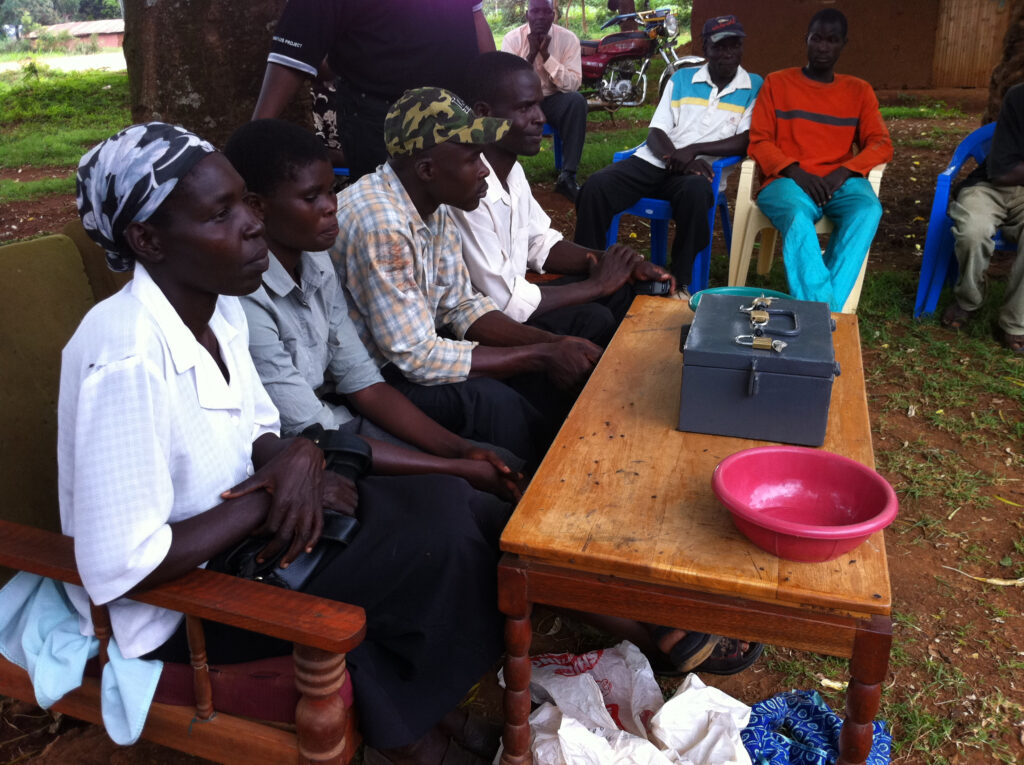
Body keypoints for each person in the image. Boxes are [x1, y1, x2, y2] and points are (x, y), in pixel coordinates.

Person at [64, 122, 509, 764]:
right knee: (433, 543)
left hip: (255, 541)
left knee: (448, 502)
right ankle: (414, 735)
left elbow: (254, 430)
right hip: (182, 604)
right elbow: (117, 569)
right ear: (147, 240)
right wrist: (268, 495)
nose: (251, 224)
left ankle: (418, 714)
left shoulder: (215, 310)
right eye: (221, 213)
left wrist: (296, 457)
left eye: (244, 201)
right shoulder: (126, 357)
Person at [224, 118, 522, 501]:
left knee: (496, 461)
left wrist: (459, 450)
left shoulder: (315, 262)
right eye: (312, 197)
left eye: (331, 192)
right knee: (457, 497)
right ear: (257, 208)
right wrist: (455, 465)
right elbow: (312, 432)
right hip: (302, 460)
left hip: (344, 423)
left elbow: (363, 383)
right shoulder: (245, 299)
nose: (331, 208)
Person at [330, 87, 604, 468]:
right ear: (427, 169)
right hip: (375, 380)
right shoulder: (382, 225)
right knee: (495, 404)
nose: (484, 172)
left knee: (542, 375)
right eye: (473, 157)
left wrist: (554, 345)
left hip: (413, 349)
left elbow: (462, 306)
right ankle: (533, 492)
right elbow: (416, 358)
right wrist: (540, 354)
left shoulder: (430, 204)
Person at [450, 51, 673, 347]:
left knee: (621, 290)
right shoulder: (466, 189)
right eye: (525, 107)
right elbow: (504, 301)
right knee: (595, 318)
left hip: (516, 300)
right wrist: (597, 284)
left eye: (539, 105)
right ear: (483, 114)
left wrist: (614, 264)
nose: (541, 118)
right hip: (488, 326)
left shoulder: (512, 171)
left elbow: (540, 242)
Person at [574, 14, 761, 295]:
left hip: (700, 173)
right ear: (706, 46)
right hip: (656, 161)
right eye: (720, 46)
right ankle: (590, 270)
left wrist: (694, 151)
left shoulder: (752, 86)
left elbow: (746, 140)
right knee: (595, 188)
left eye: (734, 45)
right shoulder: (682, 79)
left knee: (696, 193)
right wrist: (674, 157)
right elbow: (656, 132)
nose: (728, 53)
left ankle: (679, 283)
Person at [747, 8, 893, 312]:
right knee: (798, 220)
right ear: (806, 40)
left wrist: (844, 172)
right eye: (817, 39)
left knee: (867, 210)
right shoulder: (777, 83)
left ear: (843, 44)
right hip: (786, 181)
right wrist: (797, 173)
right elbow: (759, 140)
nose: (823, 47)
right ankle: (824, 315)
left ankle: (818, 310)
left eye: (832, 40)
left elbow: (880, 143)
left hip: (838, 182)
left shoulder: (859, 91)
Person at [253, 0, 496, 179]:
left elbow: (475, 18)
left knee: (460, 211)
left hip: (457, 112)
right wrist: (254, 138)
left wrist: (496, 96)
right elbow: (291, 56)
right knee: (393, 214)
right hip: (382, 119)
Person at [941, 83, 1024, 353]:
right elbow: (1002, 172)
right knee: (972, 231)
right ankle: (969, 300)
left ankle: (1016, 322)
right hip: (990, 187)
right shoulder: (1019, 97)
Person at [501, 0, 587, 201]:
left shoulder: (568, 39)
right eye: (535, 11)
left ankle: (568, 176)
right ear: (527, 15)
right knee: (501, 109)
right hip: (523, 103)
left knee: (576, 101)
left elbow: (573, 84)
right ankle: (505, 174)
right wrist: (531, 54)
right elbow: (506, 85)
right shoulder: (512, 39)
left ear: (553, 15)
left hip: (554, 99)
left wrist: (547, 56)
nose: (540, 17)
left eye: (546, 12)